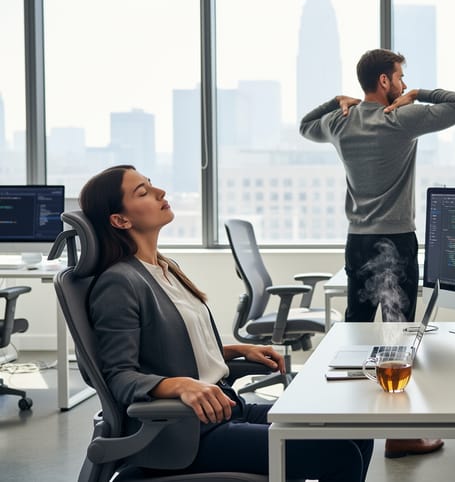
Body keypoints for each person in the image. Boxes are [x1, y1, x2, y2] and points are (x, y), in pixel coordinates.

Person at [81, 165, 373, 480]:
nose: (160, 192)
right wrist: (181, 386)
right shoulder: (119, 282)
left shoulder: (165, 268)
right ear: (120, 220)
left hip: (225, 408)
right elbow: (118, 377)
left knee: (354, 426)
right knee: (338, 453)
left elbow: (171, 347)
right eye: (143, 192)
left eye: (151, 185)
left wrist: (234, 351)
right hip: (187, 434)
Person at [299, 49, 455, 458]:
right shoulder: (400, 118)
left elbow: (305, 125)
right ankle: (399, 435)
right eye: (399, 77)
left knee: (357, 331)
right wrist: (419, 94)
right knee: (397, 338)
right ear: (385, 81)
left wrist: (338, 101)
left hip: (357, 240)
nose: (401, 83)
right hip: (395, 240)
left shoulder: (340, 122)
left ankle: (350, 431)